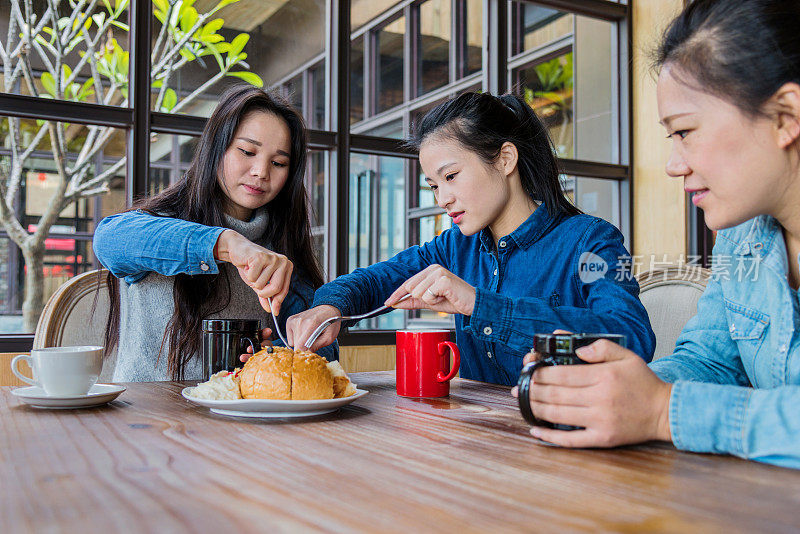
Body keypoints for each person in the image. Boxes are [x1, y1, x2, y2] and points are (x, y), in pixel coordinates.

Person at [515, 0, 800, 469]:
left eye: (685, 131)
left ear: (786, 116)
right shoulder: (742, 236)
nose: (673, 165)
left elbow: (665, 401)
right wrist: (609, 389)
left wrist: (663, 411)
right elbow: (711, 363)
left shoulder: (590, 237)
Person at [285, 91, 655, 386]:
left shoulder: (591, 240)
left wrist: (480, 304)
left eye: (451, 176)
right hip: (476, 440)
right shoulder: (454, 247)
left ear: (505, 159)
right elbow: (375, 280)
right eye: (432, 185)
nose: (441, 199)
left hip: (564, 439)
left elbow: (631, 338)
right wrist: (329, 308)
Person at [94, 85, 337, 381]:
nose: (262, 171)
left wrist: (278, 353)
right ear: (216, 148)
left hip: (239, 421)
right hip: (149, 417)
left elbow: (324, 349)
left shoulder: (281, 249)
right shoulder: (160, 225)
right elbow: (109, 239)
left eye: (278, 163)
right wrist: (226, 243)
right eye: (247, 151)